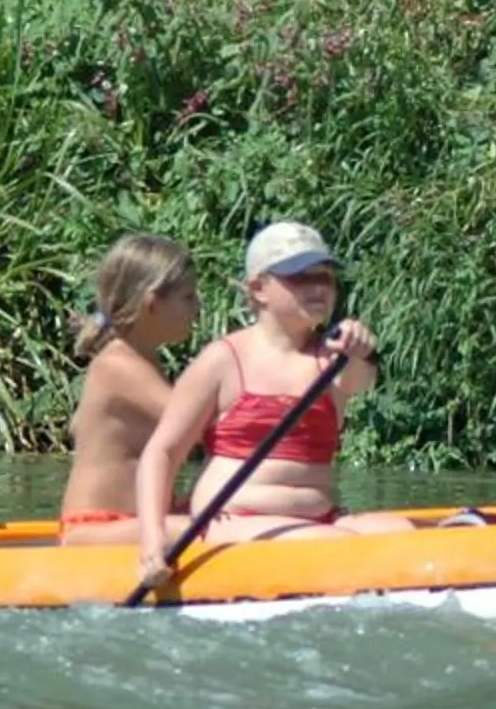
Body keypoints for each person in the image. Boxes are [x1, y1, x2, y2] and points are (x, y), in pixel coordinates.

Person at [134, 220, 412, 587]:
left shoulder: (335, 359)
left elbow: (360, 379)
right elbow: (163, 452)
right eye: (299, 277)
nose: (317, 287)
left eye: (325, 277)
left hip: (317, 518)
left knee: (404, 531)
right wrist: (152, 539)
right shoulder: (222, 360)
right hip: (232, 518)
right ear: (258, 288)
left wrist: (362, 351)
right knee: (335, 545)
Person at [59, 234, 202, 545]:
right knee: (216, 530)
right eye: (188, 297)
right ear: (152, 303)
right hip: (95, 528)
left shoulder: (143, 361)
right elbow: (197, 425)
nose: (198, 306)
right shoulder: (117, 366)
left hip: (135, 522)